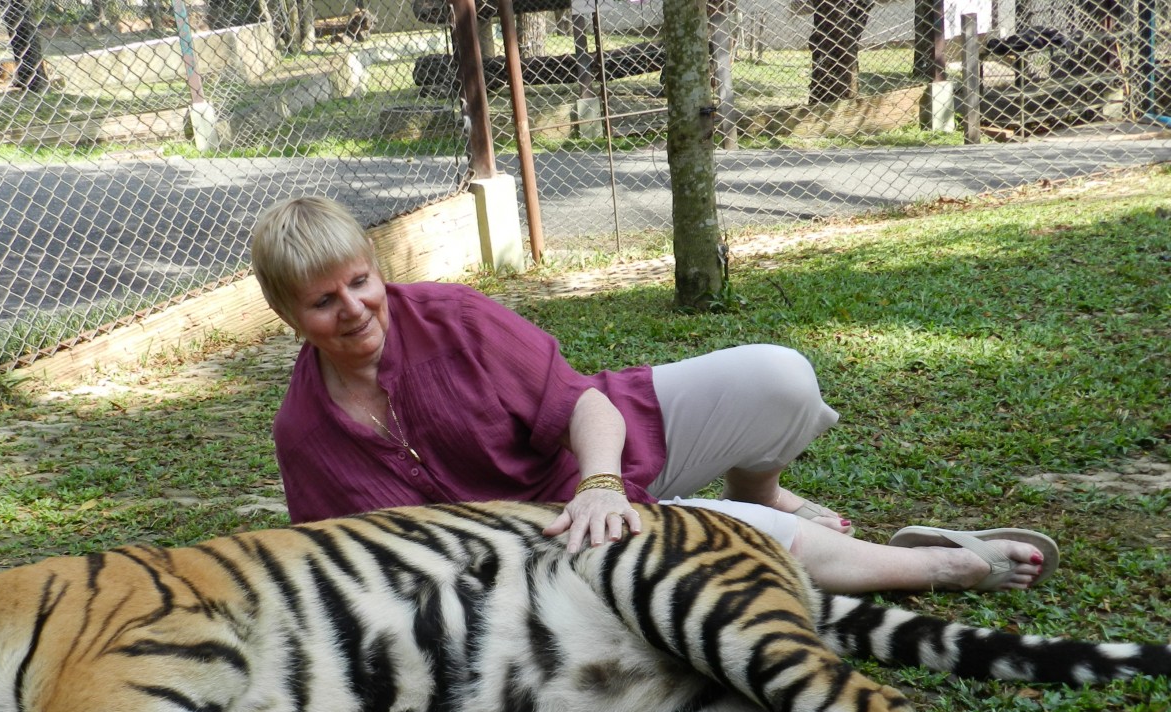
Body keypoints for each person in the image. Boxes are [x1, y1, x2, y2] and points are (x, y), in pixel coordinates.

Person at [250, 196, 1058, 595]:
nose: (354, 308)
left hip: (605, 456)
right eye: (324, 301)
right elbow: (351, 558)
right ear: (289, 315)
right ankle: (937, 564)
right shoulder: (305, 432)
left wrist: (602, 482)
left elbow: (585, 407)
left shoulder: (452, 316)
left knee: (780, 376)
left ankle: (762, 484)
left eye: (361, 281)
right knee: (743, 540)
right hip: (550, 540)